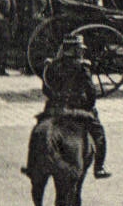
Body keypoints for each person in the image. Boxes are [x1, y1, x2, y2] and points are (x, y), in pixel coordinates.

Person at [42, 34, 110, 178]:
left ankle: (37, 163)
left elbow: (46, 89)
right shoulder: (82, 67)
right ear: (75, 50)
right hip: (78, 109)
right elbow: (91, 92)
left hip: (57, 108)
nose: (81, 52)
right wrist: (89, 108)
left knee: (41, 131)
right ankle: (99, 167)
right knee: (99, 134)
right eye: (80, 50)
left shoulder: (52, 66)